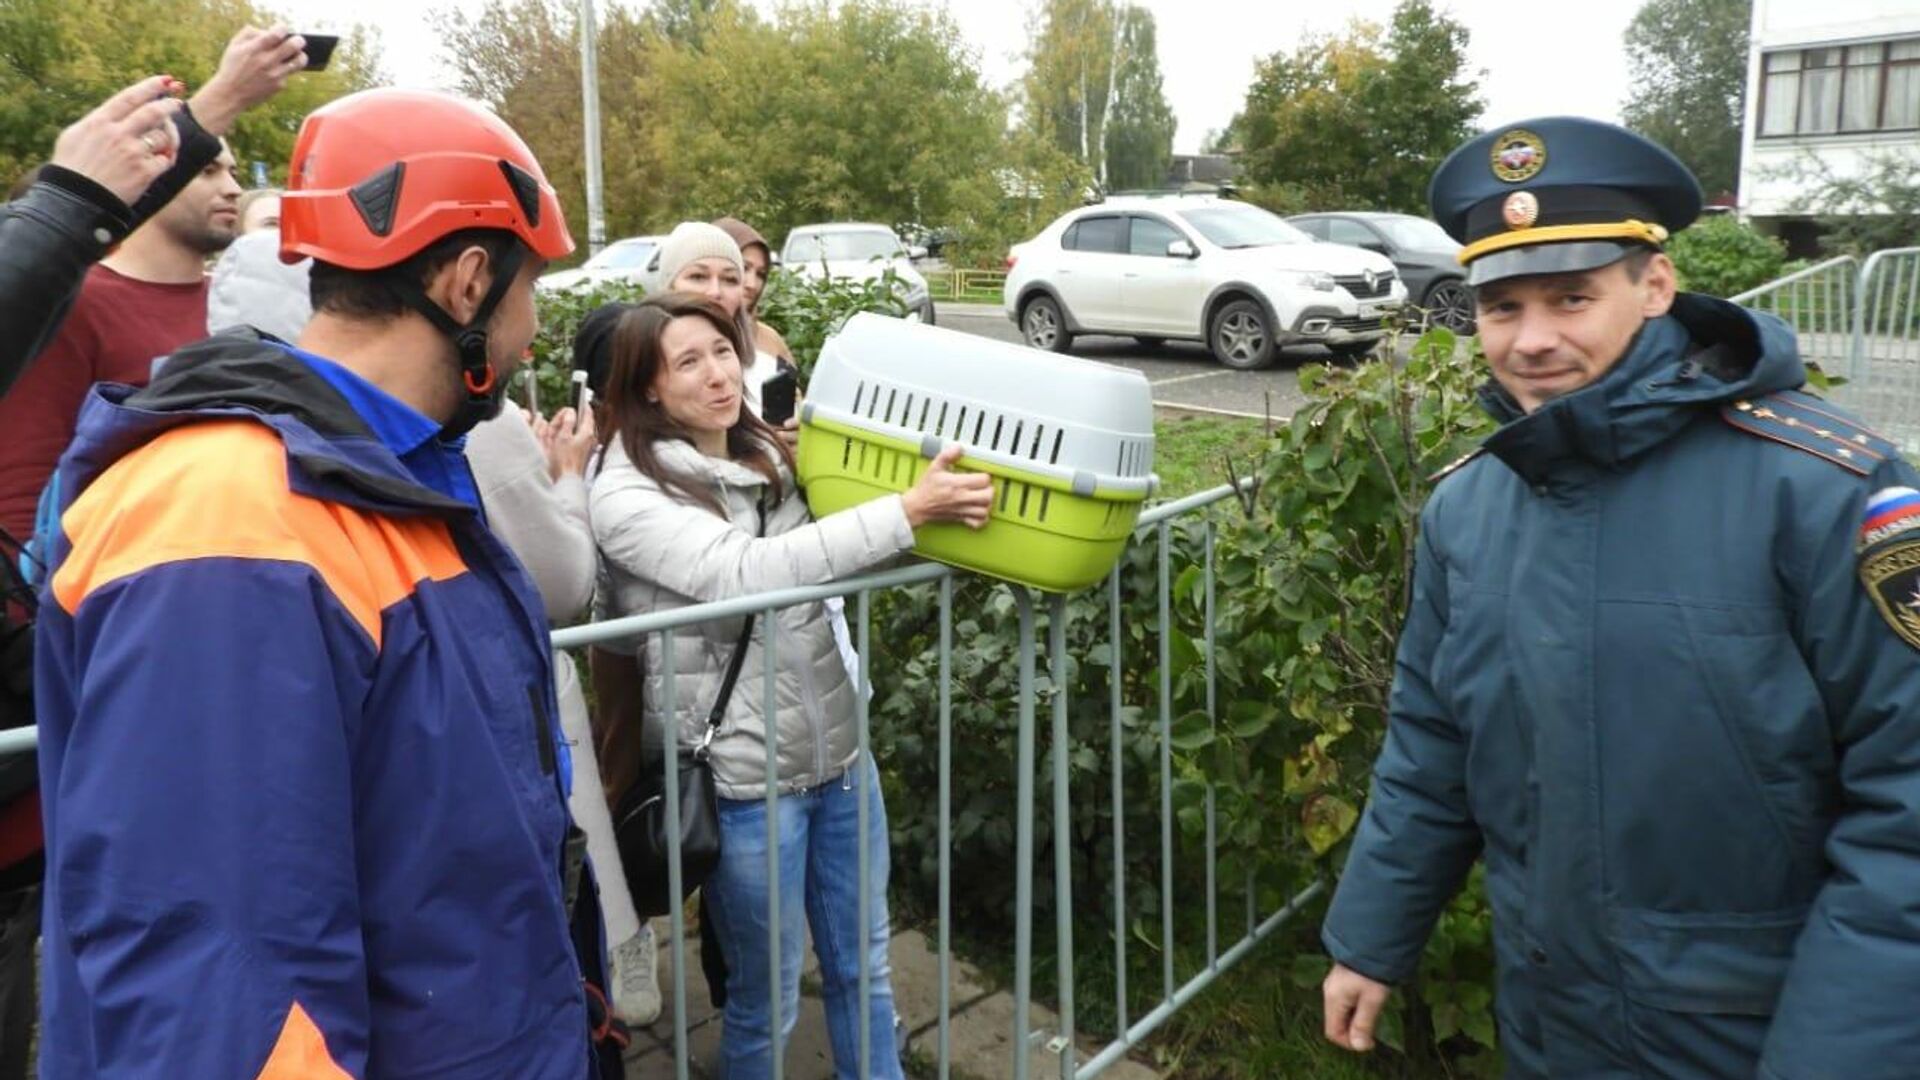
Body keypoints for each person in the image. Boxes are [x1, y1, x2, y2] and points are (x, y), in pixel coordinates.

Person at [1319, 117, 1920, 1079]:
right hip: (1552, 1023)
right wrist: (1369, 938)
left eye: (1572, 297)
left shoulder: (1827, 492)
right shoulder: (1470, 506)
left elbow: (1908, 814)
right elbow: (1432, 741)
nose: (1534, 340)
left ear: (1654, 285)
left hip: (1758, 1031)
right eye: (1502, 307)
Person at [33, 87, 614, 1076]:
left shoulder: (392, 476)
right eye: (532, 292)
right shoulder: (228, 518)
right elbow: (226, 1003)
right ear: (471, 282)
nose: (531, 331)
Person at [590, 294, 992, 1079]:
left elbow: (842, 558)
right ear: (645, 388)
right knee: (764, 1000)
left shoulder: (773, 458)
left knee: (864, 969)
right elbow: (748, 575)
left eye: (722, 351)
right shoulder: (627, 495)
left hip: (841, 763)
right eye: (689, 362)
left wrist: (936, 515)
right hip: (744, 787)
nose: (719, 375)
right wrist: (908, 511)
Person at [0, 26, 305, 397]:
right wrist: (71, 194)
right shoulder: (79, 305)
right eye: (206, 171)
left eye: (234, 172)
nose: (233, 189)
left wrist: (226, 96)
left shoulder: (241, 300)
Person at [714, 216, 794, 363]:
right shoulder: (671, 338)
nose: (752, 284)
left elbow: (790, 386)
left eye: (761, 274)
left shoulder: (770, 342)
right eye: (744, 268)